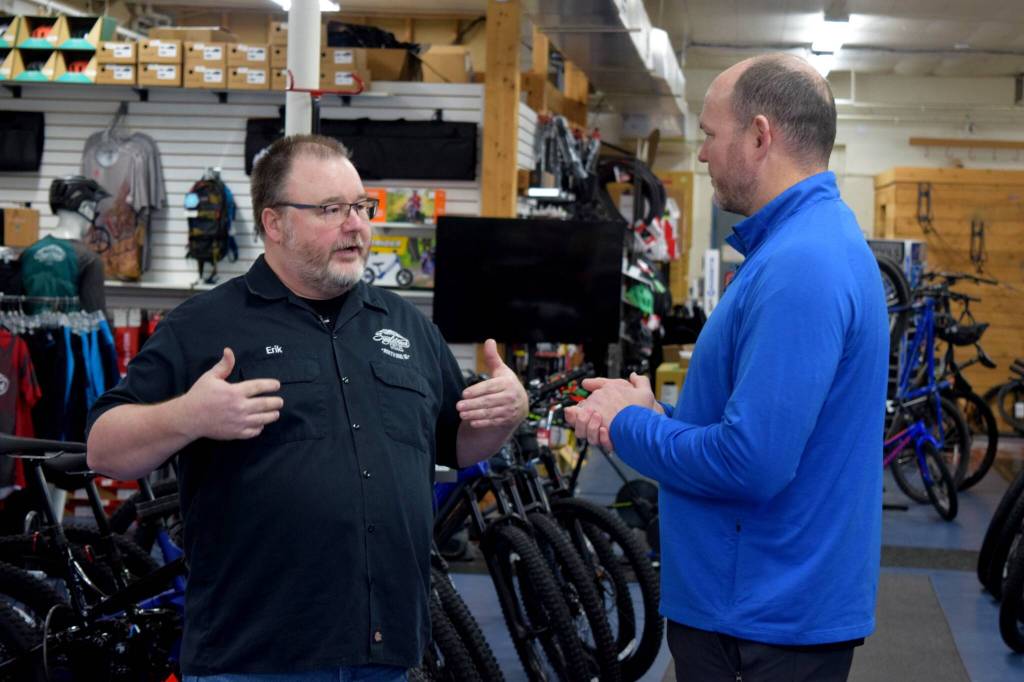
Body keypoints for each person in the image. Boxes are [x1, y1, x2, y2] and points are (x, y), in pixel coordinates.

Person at [86, 134, 528, 682]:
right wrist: (188, 416)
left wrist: (508, 412)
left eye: (362, 207)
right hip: (253, 659)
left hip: (385, 652)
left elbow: (457, 444)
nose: (356, 225)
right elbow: (105, 447)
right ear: (275, 224)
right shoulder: (205, 325)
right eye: (330, 209)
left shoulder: (407, 326)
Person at [566, 53, 889, 681]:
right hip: (763, 610)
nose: (704, 155)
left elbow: (752, 462)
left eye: (712, 135)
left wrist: (626, 425)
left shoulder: (801, 266)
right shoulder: (808, 245)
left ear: (761, 135)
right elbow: (760, 426)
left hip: (759, 621)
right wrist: (659, 415)